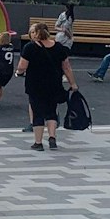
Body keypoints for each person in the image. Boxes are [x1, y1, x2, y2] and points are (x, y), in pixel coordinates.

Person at [18, 22, 76, 151]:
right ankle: (52, 137)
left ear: (37, 33)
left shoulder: (30, 47)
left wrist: (19, 72)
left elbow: (22, 67)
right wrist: (73, 83)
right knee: (51, 111)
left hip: (35, 84)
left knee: (37, 112)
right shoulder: (59, 47)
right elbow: (66, 67)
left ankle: (38, 142)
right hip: (54, 84)